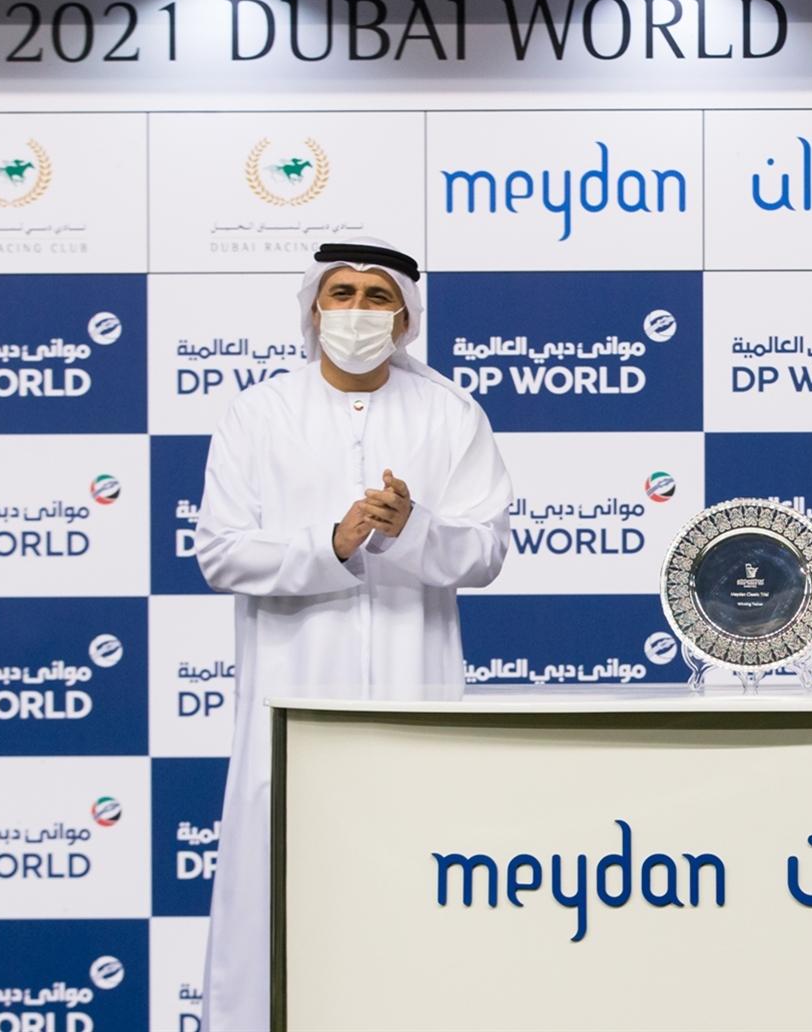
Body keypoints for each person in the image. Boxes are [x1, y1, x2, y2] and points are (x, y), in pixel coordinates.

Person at [196, 239, 514, 1031]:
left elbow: (486, 551)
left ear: (405, 317)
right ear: (313, 309)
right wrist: (330, 545)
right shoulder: (258, 414)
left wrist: (413, 530)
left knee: (417, 896)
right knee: (281, 900)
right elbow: (221, 551)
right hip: (292, 706)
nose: (358, 312)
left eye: (378, 297)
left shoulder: (450, 414)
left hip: (416, 700)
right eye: (341, 293)